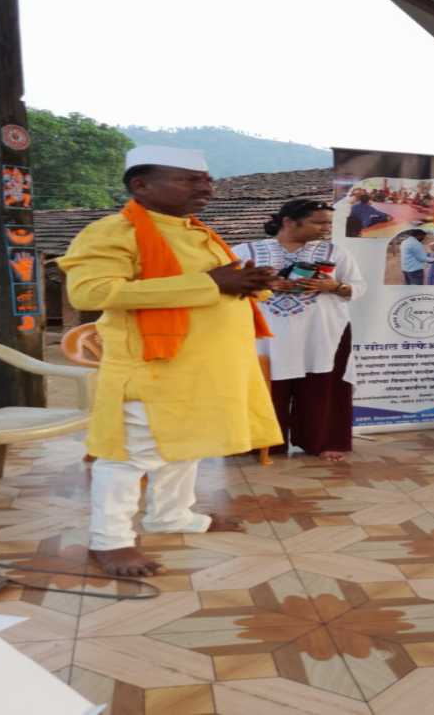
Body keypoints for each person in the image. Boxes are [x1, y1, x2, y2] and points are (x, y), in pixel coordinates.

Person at [58, 146, 282, 577]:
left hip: (208, 366)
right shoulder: (112, 231)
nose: (205, 188)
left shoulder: (197, 232)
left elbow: (217, 287)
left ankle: (171, 516)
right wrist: (210, 283)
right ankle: (110, 540)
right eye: (188, 179)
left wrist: (250, 283)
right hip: (153, 367)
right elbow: (91, 292)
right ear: (141, 185)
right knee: (130, 456)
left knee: (186, 445)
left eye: (207, 180)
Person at [234, 199, 365, 462]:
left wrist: (333, 287)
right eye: (319, 222)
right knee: (263, 385)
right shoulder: (245, 251)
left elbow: (358, 287)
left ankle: (324, 440)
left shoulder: (335, 252)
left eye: (328, 223)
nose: (326, 228)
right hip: (264, 333)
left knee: (323, 385)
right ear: (289, 222)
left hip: (322, 332)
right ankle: (261, 443)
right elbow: (224, 286)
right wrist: (265, 284)